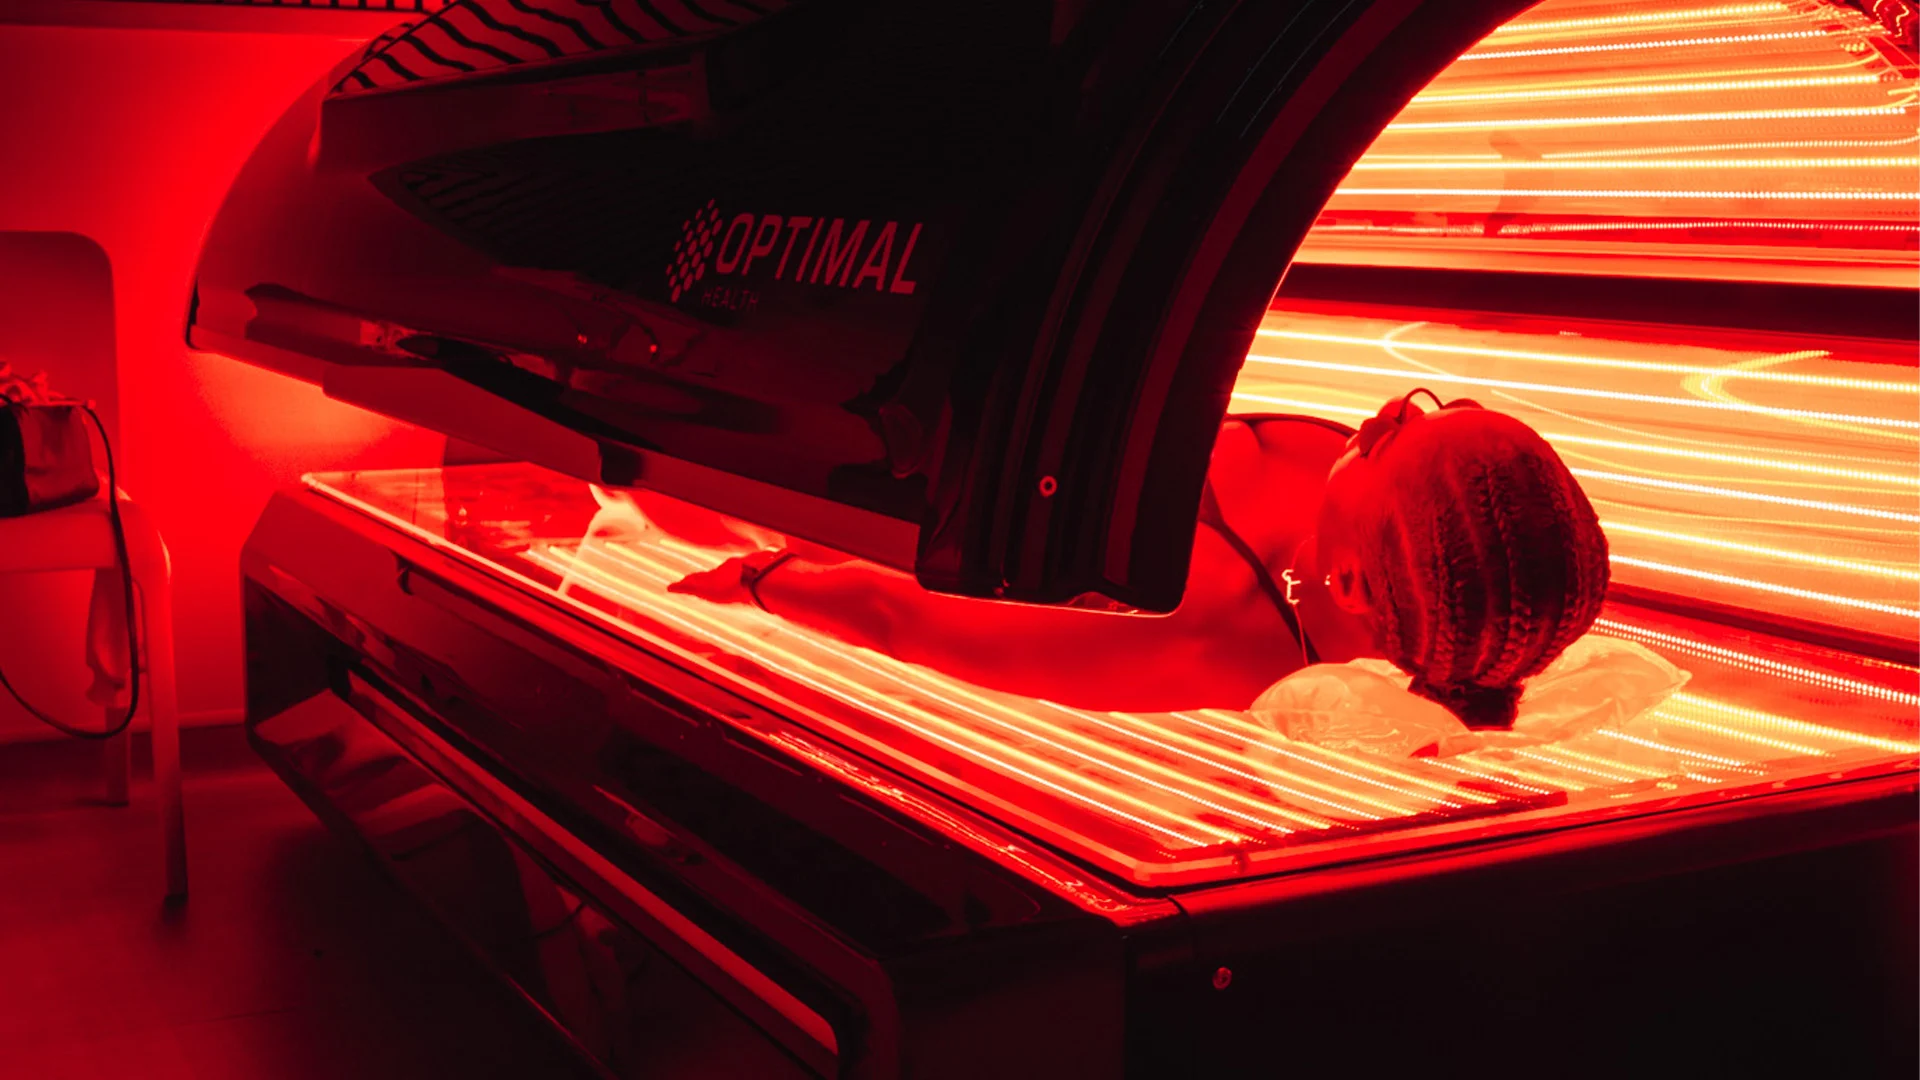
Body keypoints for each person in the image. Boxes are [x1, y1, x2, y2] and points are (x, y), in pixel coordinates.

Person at [655, 390, 1612, 727]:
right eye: (1434, 410)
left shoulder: (1202, 637)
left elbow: (904, 617)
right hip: (930, 416)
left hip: (825, 497)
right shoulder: (1351, 496)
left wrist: (752, 578)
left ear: (1356, 584)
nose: (1393, 409)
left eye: (1394, 433)